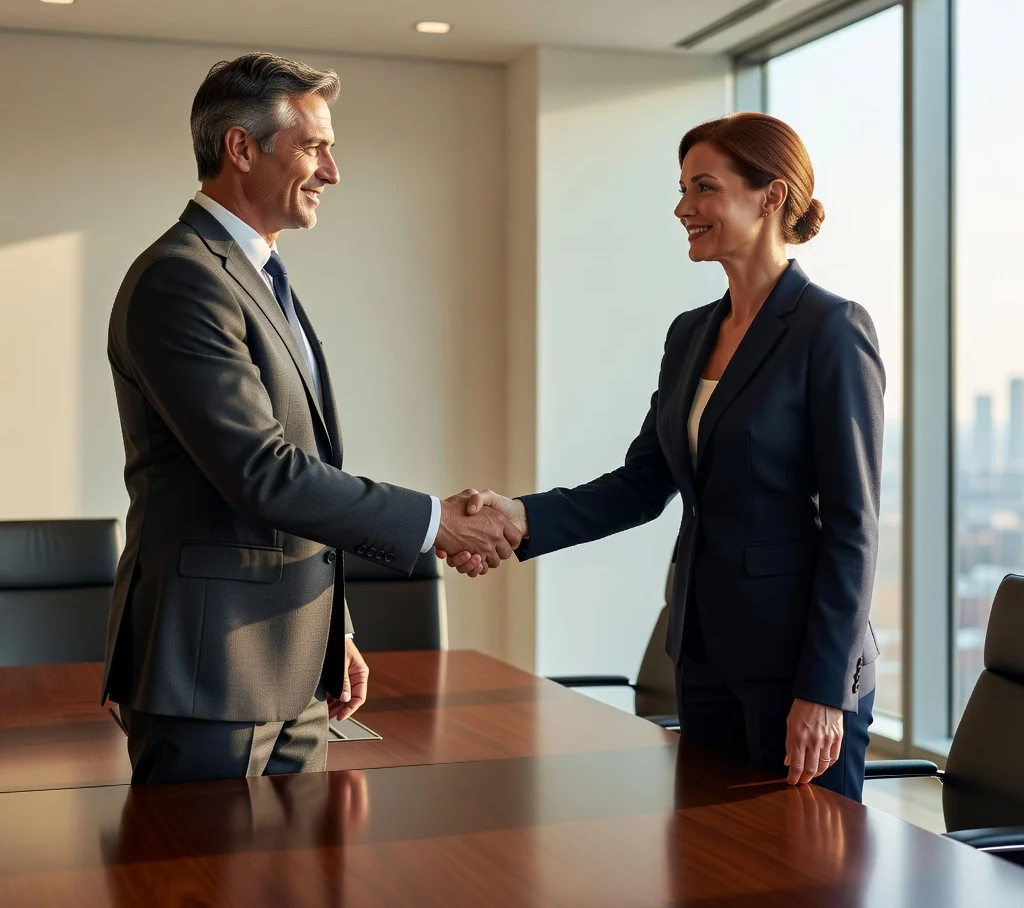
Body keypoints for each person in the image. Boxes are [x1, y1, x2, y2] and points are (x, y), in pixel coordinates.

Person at [103, 52, 519, 783]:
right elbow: (260, 472)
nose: (332, 172)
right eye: (315, 147)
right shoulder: (183, 279)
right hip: (213, 673)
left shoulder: (262, 276)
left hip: (291, 670)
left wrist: (335, 630)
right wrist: (435, 522)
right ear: (241, 147)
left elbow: (306, 465)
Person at [448, 113, 884, 801]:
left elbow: (853, 527)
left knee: (800, 879)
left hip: (797, 667)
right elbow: (644, 482)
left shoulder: (831, 329)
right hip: (703, 652)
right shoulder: (690, 335)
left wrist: (826, 691)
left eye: (703, 188)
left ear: (770, 197)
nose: (683, 208)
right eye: (682, 189)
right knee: (703, 866)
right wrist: (517, 515)